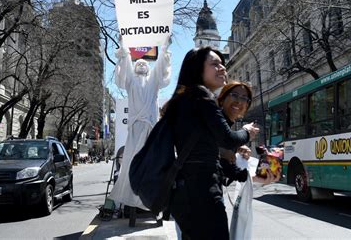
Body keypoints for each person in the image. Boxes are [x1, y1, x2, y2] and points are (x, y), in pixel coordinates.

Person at [165, 47, 259, 240]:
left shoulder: (186, 100)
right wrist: (247, 133)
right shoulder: (201, 97)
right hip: (201, 191)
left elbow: (208, 149)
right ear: (198, 69)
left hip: (189, 191)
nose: (222, 68)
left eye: (222, 64)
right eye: (214, 64)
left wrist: (240, 171)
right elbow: (227, 138)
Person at [109, 35, 172, 210]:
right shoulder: (130, 82)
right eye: (139, 63)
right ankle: (132, 194)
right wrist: (123, 45)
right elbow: (126, 62)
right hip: (135, 126)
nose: (142, 64)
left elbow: (160, 66)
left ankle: (154, 196)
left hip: (151, 126)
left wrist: (165, 47)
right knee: (132, 159)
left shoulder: (153, 81)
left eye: (145, 64)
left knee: (152, 161)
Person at [217, 81, 279, 185]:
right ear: (222, 98)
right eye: (234, 95)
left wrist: (256, 177)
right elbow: (227, 139)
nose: (239, 101)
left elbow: (227, 170)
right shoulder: (215, 118)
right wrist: (246, 132)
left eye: (244, 98)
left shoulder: (227, 123)